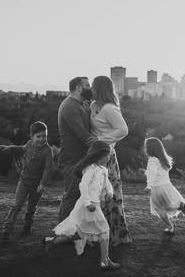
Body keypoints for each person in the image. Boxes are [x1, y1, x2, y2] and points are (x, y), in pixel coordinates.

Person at [44, 140, 121, 269]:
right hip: (87, 205)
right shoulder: (90, 169)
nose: (109, 158)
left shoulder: (103, 169)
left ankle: (53, 241)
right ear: (99, 155)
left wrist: (109, 192)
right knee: (104, 230)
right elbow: (83, 185)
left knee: (78, 234)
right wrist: (87, 203)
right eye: (108, 155)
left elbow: (107, 184)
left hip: (94, 204)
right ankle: (105, 261)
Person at [90, 75, 132, 246]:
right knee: (95, 196)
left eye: (93, 86)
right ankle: (96, 234)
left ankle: (114, 236)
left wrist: (102, 139)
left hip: (107, 157)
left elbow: (123, 129)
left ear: (99, 88)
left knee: (110, 197)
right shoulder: (94, 106)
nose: (91, 89)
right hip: (93, 156)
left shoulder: (109, 108)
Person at [0, 121, 53, 242]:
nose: (42, 139)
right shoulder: (28, 144)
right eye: (38, 136)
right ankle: (6, 230)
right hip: (24, 182)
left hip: (37, 185)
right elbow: (21, 149)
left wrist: (43, 183)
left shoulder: (48, 151)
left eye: (44, 136)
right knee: (16, 205)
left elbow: (48, 169)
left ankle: (27, 227)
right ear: (32, 136)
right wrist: (10, 148)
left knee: (31, 208)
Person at [57, 77, 97, 222]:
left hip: (82, 159)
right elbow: (83, 135)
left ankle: (75, 233)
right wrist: (103, 146)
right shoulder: (69, 106)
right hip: (71, 161)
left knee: (82, 197)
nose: (90, 88)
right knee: (72, 196)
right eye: (87, 85)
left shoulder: (83, 105)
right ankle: (63, 233)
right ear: (79, 88)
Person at [144, 137, 185, 235]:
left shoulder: (152, 160)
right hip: (167, 186)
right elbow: (157, 173)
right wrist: (146, 172)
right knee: (170, 204)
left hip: (157, 188)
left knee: (158, 208)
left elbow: (153, 174)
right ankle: (182, 207)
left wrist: (149, 186)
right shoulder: (163, 159)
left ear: (149, 148)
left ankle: (170, 227)